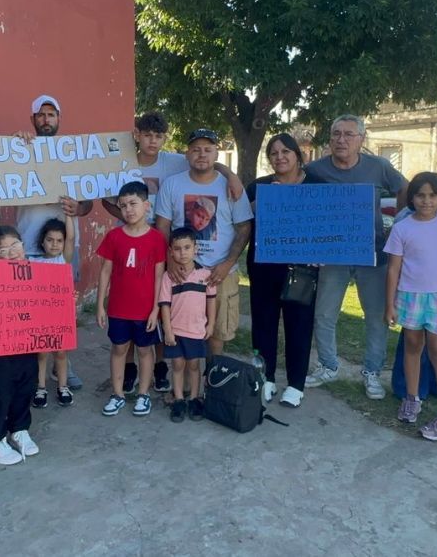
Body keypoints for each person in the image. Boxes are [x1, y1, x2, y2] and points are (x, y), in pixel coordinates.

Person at [101, 112, 244, 394]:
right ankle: (130, 371)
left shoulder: (175, 161)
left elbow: (205, 159)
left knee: (165, 313)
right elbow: (104, 197)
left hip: (166, 250)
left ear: (165, 138)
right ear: (137, 135)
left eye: (158, 136)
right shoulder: (119, 162)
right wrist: (132, 220)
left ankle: (165, 369)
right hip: (136, 247)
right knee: (135, 310)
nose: (152, 141)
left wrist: (231, 175)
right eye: (147, 135)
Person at [304, 115, 408, 399]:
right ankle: (328, 366)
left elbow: (405, 189)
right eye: (336, 134)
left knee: (376, 317)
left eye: (349, 134)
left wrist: (399, 224)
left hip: (372, 253)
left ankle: (372, 372)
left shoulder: (379, 166)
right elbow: (296, 197)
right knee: (324, 314)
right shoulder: (314, 169)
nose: (341, 140)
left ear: (361, 139)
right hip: (333, 253)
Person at [13, 95, 90, 390]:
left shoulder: (73, 156)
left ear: (59, 119)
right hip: (28, 245)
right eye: (41, 115)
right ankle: (32, 373)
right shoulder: (19, 150)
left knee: (59, 312)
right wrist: (11, 146)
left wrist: (78, 208)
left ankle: (63, 367)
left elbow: (88, 201)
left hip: (63, 246)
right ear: (33, 119)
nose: (46, 120)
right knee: (29, 313)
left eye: (51, 114)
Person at [154, 128, 253, 356]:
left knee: (217, 333)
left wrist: (228, 264)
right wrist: (170, 260)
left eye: (208, 150)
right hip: (182, 272)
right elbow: (162, 226)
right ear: (187, 154)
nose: (202, 154)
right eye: (196, 149)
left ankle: (212, 376)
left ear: (216, 154)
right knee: (179, 330)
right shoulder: (172, 184)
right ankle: (184, 378)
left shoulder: (231, 187)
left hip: (220, 273)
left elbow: (244, 227)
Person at [384, 172, 437, 441]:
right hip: (410, 296)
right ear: (412, 198)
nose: (426, 201)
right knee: (412, 347)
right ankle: (412, 397)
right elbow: (393, 269)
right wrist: (389, 304)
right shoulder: (402, 227)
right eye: (420, 195)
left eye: (433, 195)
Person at [246, 134, 315, 408]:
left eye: (286, 151)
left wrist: (324, 253)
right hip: (264, 267)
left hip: (302, 269)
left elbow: (329, 224)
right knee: (263, 324)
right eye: (273, 153)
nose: (280, 157)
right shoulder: (259, 186)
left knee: (299, 325)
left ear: (298, 155)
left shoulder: (316, 186)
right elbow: (242, 219)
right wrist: (265, 201)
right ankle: (266, 377)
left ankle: (296, 384)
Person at [96, 182, 167, 417]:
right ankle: (117, 394)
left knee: (145, 350)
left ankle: (143, 394)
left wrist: (156, 309)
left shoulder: (157, 239)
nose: (128, 209)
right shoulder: (114, 236)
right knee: (119, 348)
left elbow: (159, 276)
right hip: (118, 308)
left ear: (146, 205)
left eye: (133, 204)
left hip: (145, 309)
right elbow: (105, 271)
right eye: (123, 205)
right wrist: (100, 305)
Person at [0, 226, 41, 465]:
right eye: (3, 250)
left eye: (15, 245)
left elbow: (47, 302)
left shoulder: (38, 273)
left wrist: (65, 299)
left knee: (26, 385)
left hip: (27, 342)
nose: (12, 252)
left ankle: (19, 429)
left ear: (23, 245)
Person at [159, 228, 216, 423]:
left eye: (187, 247)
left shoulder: (205, 275)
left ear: (195, 248)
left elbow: (211, 301)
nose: (182, 253)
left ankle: (193, 398)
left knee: (193, 365)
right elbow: (164, 305)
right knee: (177, 364)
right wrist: (167, 330)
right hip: (176, 331)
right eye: (177, 249)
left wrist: (211, 324)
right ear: (171, 251)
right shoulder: (168, 277)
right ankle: (178, 400)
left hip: (196, 330)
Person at [30, 217, 77, 407]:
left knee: (61, 352)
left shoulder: (63, 260)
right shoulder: (32, 262)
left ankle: (63, 386)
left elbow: (72, 237)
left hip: (60, 315)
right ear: (42, 241)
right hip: (40, 315)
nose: (55, 244)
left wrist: (69, 214)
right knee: (41, 353)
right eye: (50, 240)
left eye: (59, 240)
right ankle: (40, 387)